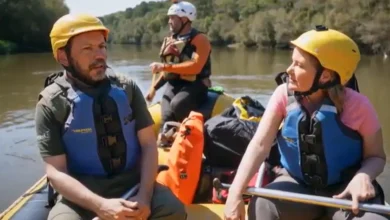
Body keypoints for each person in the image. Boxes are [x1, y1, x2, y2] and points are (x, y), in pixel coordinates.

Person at [223, 25, 388, 220]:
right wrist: (235, 193)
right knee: (262, 205)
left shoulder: (359, 106)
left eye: (299, 65)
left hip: (345, 187)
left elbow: (376, 157)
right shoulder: (282, 96)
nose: (289, 70)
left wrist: (363, 176)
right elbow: (259, 145)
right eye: (291, 62)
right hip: (296, 183)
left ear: (325, 75)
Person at [35, 13, 186, 220]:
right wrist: (101, 206)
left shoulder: (127, 88)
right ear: (63, 57)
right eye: (88, 49)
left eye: (102, 46)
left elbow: (149, 145)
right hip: (81, 195)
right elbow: (55, 171)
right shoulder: (51, 103)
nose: (100, 55)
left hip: (132, 184)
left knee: (173, 210)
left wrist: (144, 196)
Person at [147, 1, 212, 140]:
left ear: (184, 19)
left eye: (172, 18)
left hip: (196, 85)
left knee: (178, 105)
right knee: (166, 115)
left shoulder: (200, 40)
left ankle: (193, 134)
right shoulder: (171, 39)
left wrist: (164, 66)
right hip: (174, 84)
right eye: (169, 18)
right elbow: (168, 73)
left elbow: (196, 67)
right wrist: (154, 89)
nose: (169, 21)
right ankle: (166, 141)